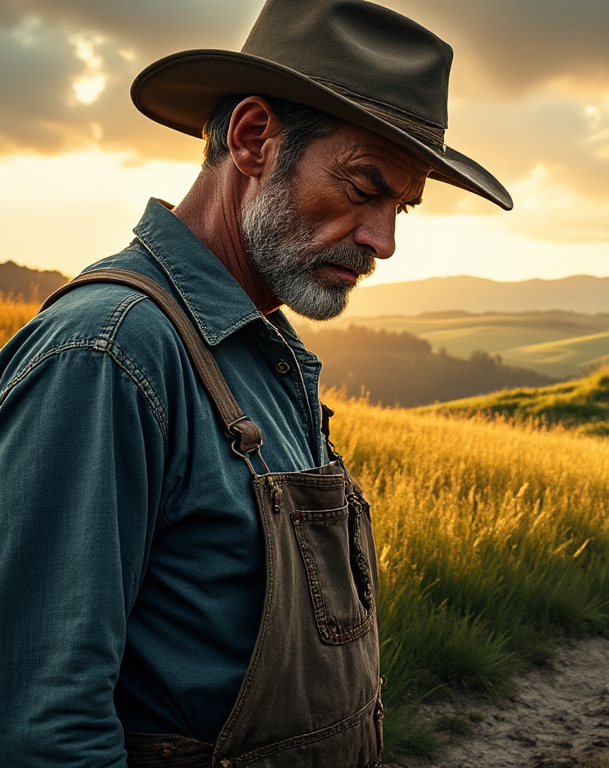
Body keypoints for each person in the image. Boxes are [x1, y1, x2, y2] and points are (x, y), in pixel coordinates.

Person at [0, 0, 511, 765]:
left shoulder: (257, 344)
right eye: (365, 186)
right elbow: (44, 723)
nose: (386, 241)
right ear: (252, 140)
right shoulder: (109, 352)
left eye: (401, 206)